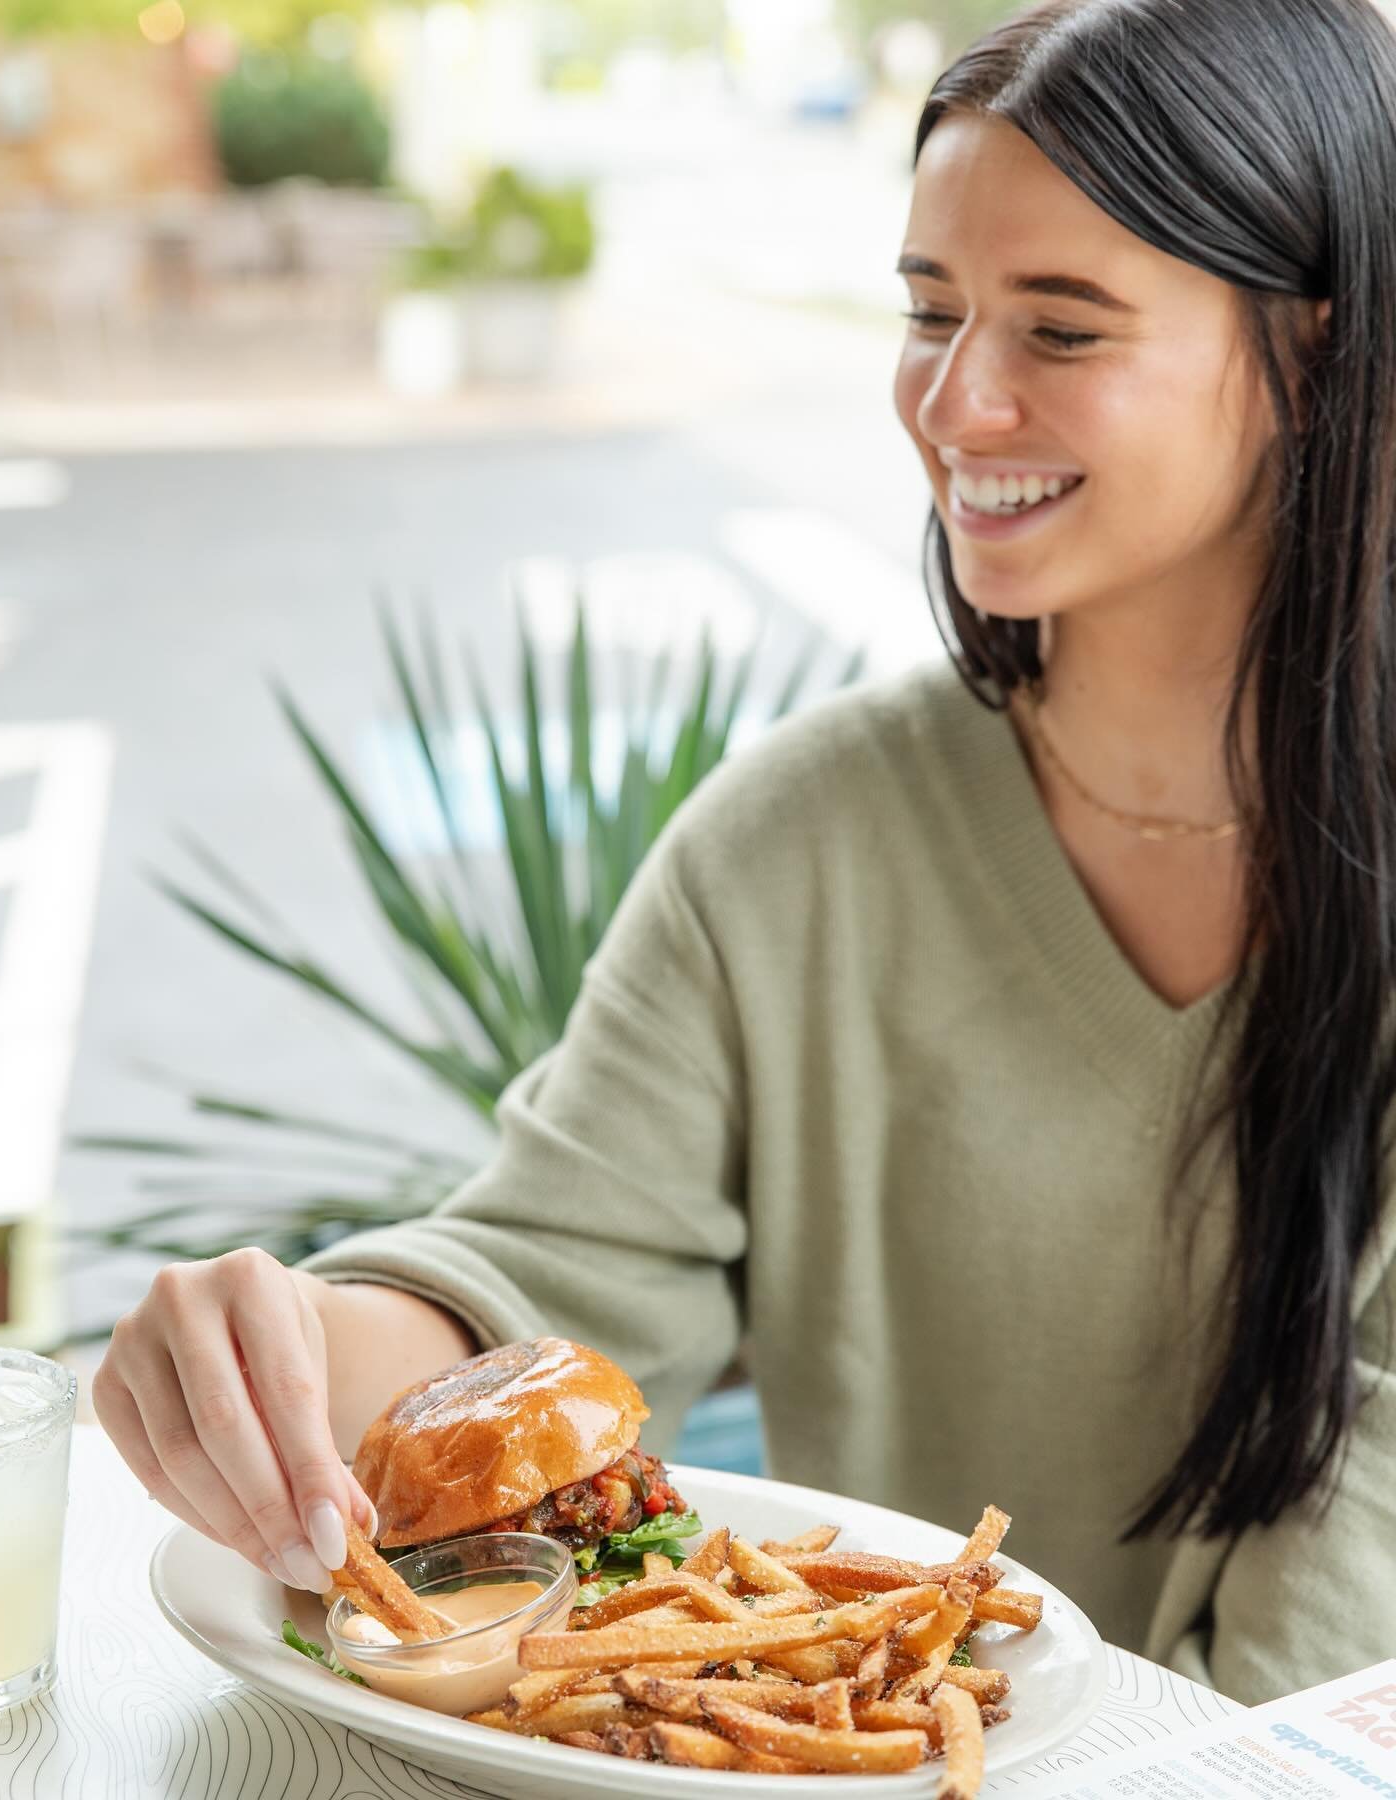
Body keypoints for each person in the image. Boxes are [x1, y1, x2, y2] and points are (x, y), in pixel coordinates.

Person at [93, 0, 1396, 1704]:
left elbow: (1338, 1653)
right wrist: (277, 1362)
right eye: (930, 310)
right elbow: (548, 1291)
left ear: (1312, 351)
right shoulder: (799, 845)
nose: (955, 399)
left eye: (1061, 330)